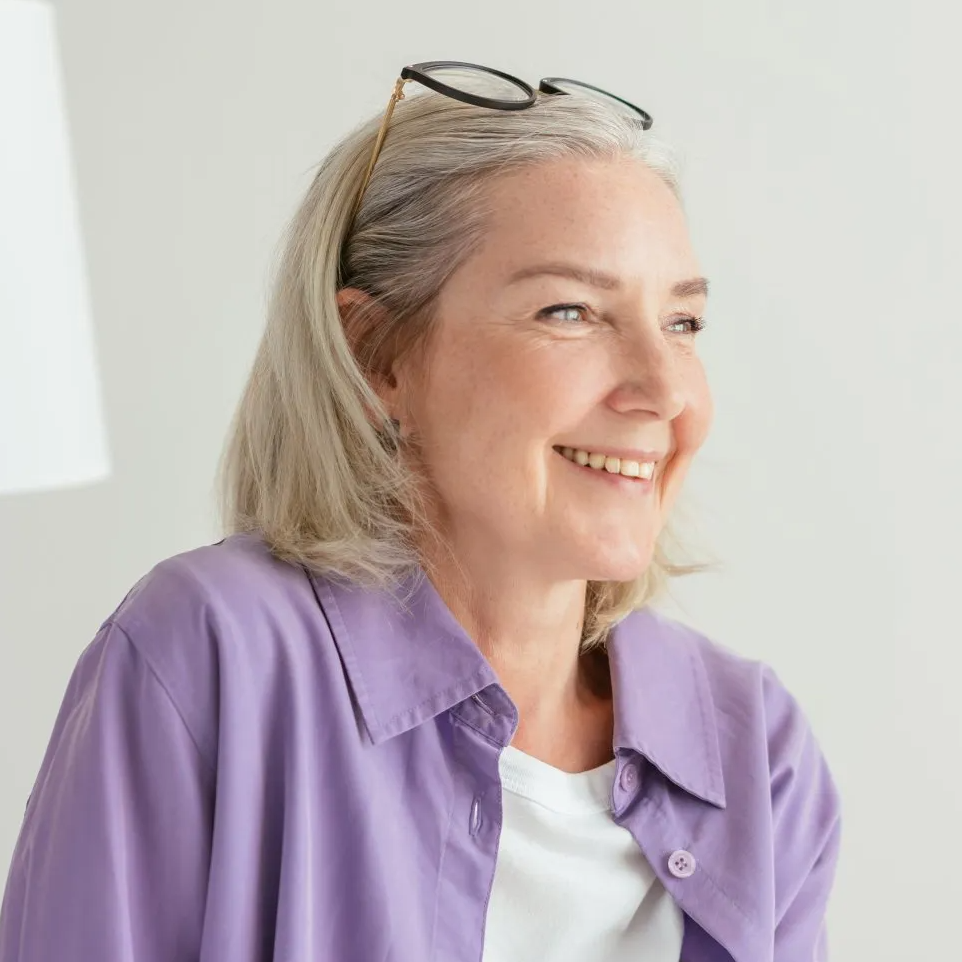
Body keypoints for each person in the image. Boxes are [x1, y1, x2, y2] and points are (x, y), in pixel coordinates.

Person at [0, 61, 841, 961]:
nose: (664, 390)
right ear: (378, 358)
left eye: (682, 324)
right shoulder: (213, 654)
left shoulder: (756, 749)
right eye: (571, 312)